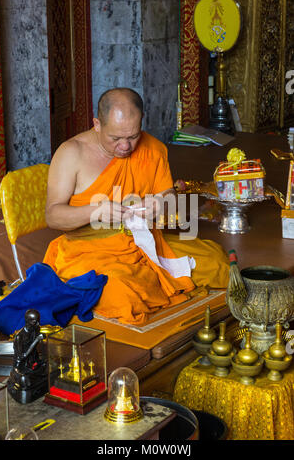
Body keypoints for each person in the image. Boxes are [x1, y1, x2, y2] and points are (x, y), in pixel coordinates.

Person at [43, 88, 229, 325]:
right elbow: (53, 216)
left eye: (132, 137)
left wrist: (160, 204)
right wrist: (95, 211)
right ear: (97, 124)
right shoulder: (72, 153)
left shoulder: (152, 148)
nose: (125, 147)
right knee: (122, 295)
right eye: (115, 139)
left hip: (145, 242)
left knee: (217, 263)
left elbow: (169, 198)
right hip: (89, 250)